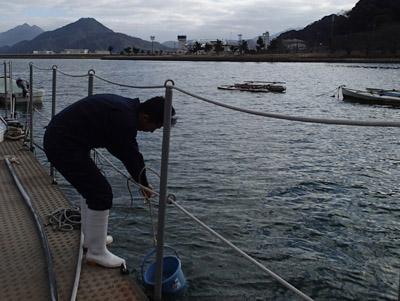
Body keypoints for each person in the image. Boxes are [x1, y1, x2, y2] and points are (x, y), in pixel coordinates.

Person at [43, 93, 176, 269]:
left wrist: (141, 180)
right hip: (62, 144)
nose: (152, 131)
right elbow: (129, 154)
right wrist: (143, 183)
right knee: (101, 193)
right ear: (145, 117)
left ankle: (91, 239)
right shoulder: (124, 119)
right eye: (155, 127)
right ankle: (97, 253)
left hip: (64, 139)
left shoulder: (126, 109)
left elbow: (124, 150)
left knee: (92, 188)